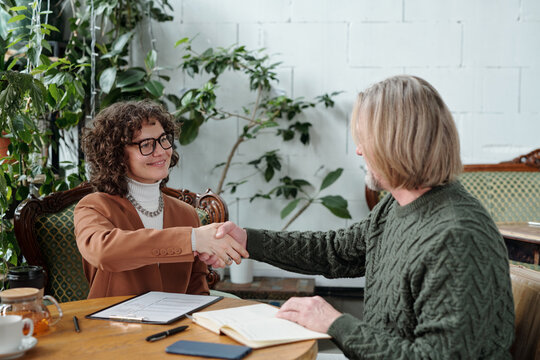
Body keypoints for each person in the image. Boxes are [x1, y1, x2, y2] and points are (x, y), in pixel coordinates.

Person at [204, 75, 515, 358]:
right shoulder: (395, 206)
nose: (358, 151)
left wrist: (335, 323)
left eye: (364, 139)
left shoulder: (456, 236)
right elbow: (335, 251)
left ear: (394, 143)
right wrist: (248, 240)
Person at [74, 100, 247, 298]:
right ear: (117, 154)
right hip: (113, 324)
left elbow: (196, 291)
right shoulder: (93, 207)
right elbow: (104, 252)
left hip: (177, 326)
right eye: (146, 144)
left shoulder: (186, 213)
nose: (161, 151)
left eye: (164, 139)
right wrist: (192, 239)